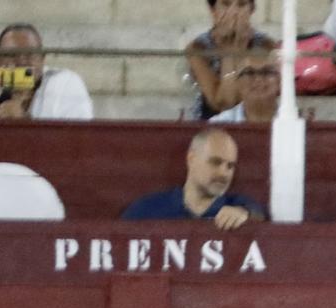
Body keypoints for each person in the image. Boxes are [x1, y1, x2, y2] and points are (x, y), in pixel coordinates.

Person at [120, 129, 267, 230]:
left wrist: (244, 214)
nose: (224, 173)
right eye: (215, 162)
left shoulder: (238, 204)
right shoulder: (147, 210)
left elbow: (260, 216)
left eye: (230, 166)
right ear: (191, 159)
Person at [0, 24, 95, 120]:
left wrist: (22, 121)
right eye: (12, 55)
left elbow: (77, 139)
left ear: (42, 60)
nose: (21, 62)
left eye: (30, 54)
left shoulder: (65, 84)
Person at [186, 0, 268, 119]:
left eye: (241, 5)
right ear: (213, 10)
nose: (234, 12)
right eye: (226, 4)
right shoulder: (198, 47)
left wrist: (240, 49)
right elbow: (222, 104)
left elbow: (243, 96)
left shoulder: (265, 45)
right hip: (208, 121)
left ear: (252, 9)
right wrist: (229, 52)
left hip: (250, 120)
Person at [209, 43, 282, 124]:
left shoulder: (295, 121)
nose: (258, 79)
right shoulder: (219, 125)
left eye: (267, 71)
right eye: (250, 72)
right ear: (237, 82)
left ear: (279, 80)